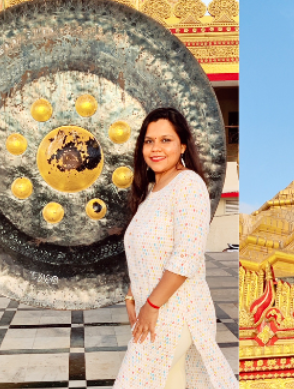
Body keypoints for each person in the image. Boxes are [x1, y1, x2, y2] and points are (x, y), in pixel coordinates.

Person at [113, 108, 235, 389]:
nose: (156, 148)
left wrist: (151, 306)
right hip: (155, 312)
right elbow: (144, 253)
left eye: (165, 140)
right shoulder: (151, 192)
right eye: (149, 141)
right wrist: (132, 295)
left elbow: (187, 256)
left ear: (182, 146)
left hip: (177, 312)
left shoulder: (188, 185)